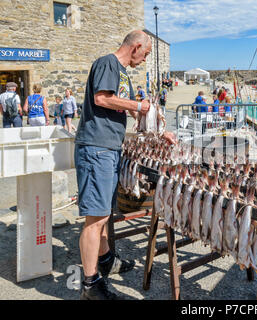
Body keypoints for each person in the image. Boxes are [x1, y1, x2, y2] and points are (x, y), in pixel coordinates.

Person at [74, 30, 176, 300]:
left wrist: (159, 131)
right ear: (136, 46)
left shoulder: (123, 74)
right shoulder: (108, 63)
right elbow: (102, 98)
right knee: (95, 219)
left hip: (108, 149)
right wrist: (138, 105)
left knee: (104, 213)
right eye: (146, 53)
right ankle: (90, 284)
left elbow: (133, 112)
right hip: (96, 148)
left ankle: (106, 260)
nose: (145, 59)